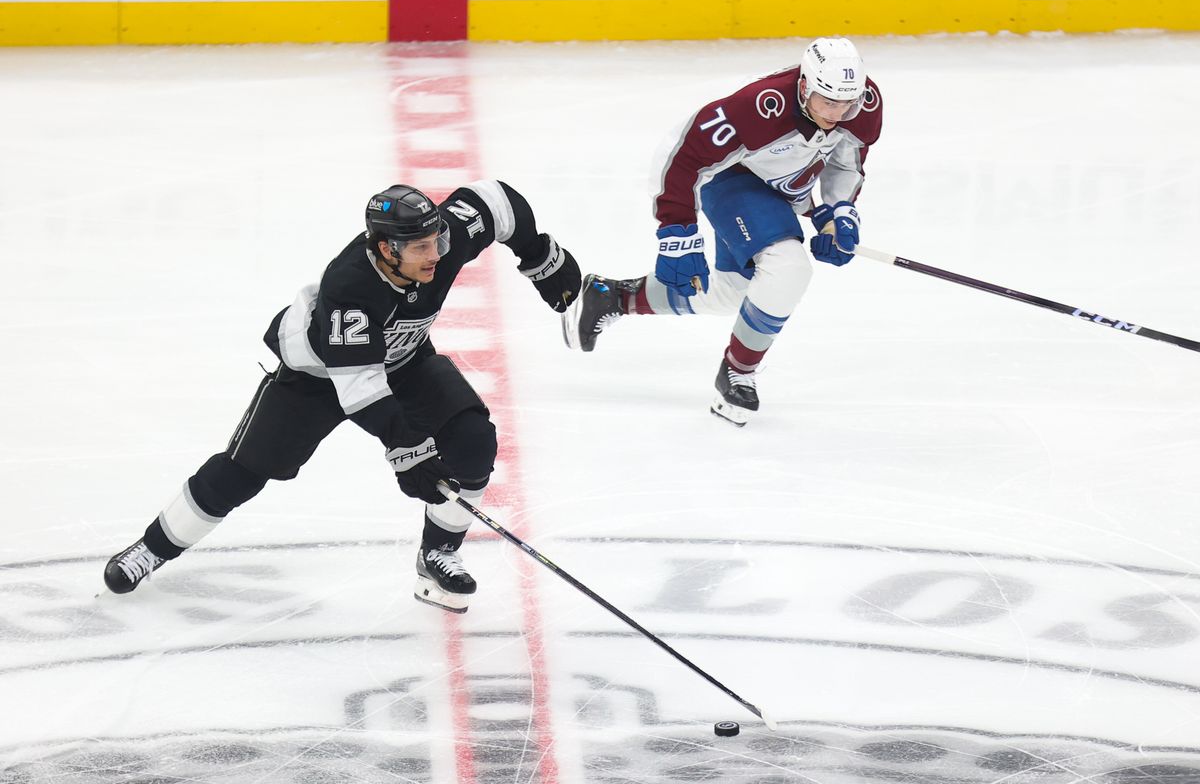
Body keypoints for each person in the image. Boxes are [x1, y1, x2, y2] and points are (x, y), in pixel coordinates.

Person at [103, 181, 581, 613]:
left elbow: (497, 200)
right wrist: (407, 450)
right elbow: (361, 390)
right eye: (418, 247)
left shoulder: (445, 237)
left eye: (434, 241)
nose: (433, 255)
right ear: (384, 249)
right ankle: (151, 549)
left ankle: (438, 553)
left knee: (474, 441)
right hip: (317, 377)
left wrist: (539, 256)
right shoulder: (350, 287)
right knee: (243, 473)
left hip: (404, 359)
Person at [563, 37, 883, 427]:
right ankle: (738, 372)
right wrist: (678, 231)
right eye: (827, 102)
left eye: (847, 104)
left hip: (774, 185)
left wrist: (837, 214)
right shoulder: (759, 107)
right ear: (804, 86)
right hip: (732, 178)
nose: (838, 113)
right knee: (788, 268)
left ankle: (613, 298)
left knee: (737, 292)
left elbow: (846, 164)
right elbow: (682, 158)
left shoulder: (863, 105)